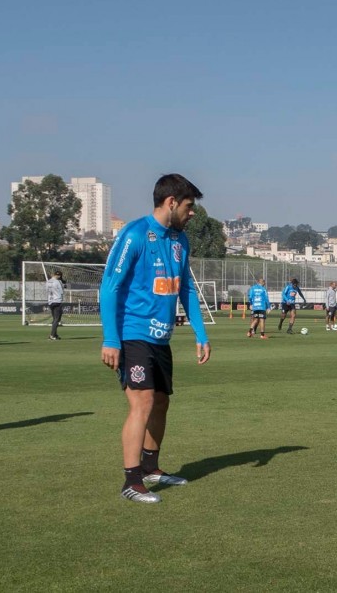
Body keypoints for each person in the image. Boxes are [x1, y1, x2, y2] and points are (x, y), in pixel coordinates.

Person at [100, 173, 211, 504]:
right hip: (133, 334)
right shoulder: (134, 235)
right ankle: (131, 481)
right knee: (143, 401)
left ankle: (150, 467)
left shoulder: (180, 241)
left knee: (161, 402)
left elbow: (186, 289)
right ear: (171, 202)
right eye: (190, 207)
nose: (193, 213)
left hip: (161, 339)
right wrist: (110, 339)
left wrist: (201, 333)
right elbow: (109, 287)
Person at [47, 270, 64, 340]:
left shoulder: (48, 281)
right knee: (57, 319)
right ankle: (52, 335)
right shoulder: (57, 282)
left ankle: (55, 334)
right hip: (57, 301)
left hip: (50, 301)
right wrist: (63, 286)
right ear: (59, 276)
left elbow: (46, 290)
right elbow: (61, 292)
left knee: (54, 319)